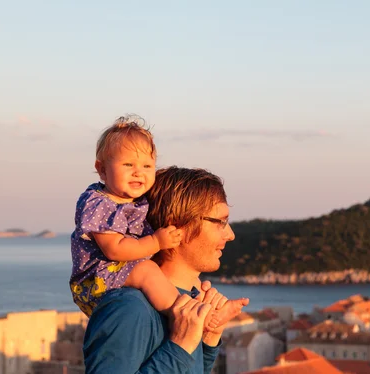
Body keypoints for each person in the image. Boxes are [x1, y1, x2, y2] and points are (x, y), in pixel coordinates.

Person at [69, 115, 246, 329]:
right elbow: (114, 250)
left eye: (147, 166)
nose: (138, 172)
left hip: (119, 272)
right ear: (102, 169)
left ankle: (202, 316)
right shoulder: (99, 204)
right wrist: (155, 241)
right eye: (128, 164)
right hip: (98, 277)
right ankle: (187, 316)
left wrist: (209, 339)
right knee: (147, 271)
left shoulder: (135, 202)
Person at [83, 166, 247, 373]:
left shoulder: (187, 304)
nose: (230, 235)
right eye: (220, 222)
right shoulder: (130, 310)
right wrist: (180, 346)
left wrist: (208, 336)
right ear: (176, 226)